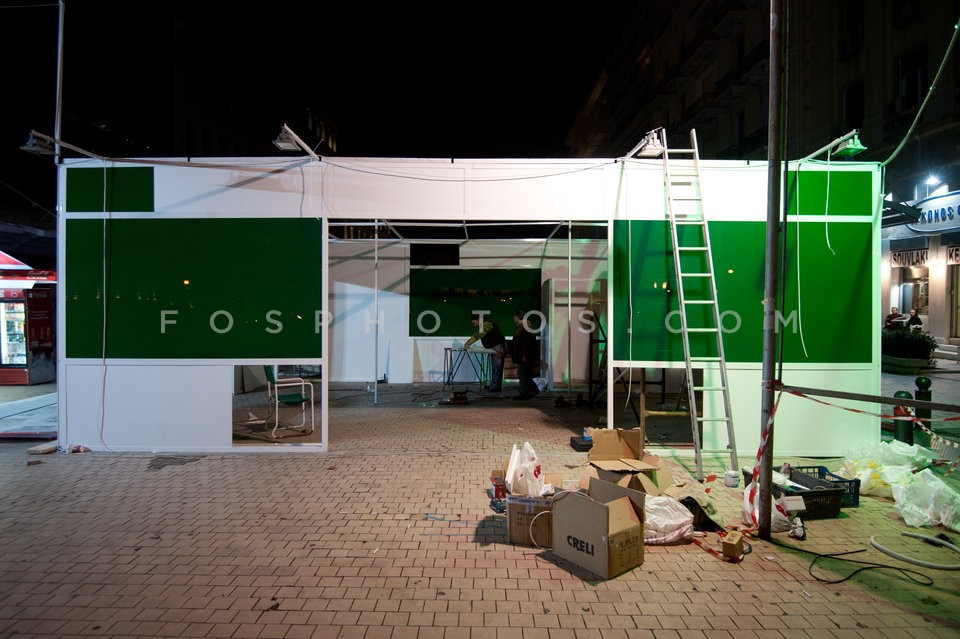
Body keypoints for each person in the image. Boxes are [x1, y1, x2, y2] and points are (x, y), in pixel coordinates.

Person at [464, 312, 506, 393]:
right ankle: (493, 386)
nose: (474, 324)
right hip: (495, 347)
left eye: (475, 322)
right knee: (494, 368)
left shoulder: (487, 324)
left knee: (497, 368)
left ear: (479, 319)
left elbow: (478, 335)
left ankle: (495, 388)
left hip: (498, 347)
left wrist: (468, 343)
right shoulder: (485, 325)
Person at [510, 309, 541, 400]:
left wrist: (525, 355)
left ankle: (532, 389)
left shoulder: (525, 326)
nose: (513, 318)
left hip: (524, 356)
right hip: (523, 355)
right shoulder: (524, 326)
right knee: (523, 373)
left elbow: (527, 343)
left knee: (522, 373)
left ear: (517, 317)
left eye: (514, 316)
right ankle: (524, 393)